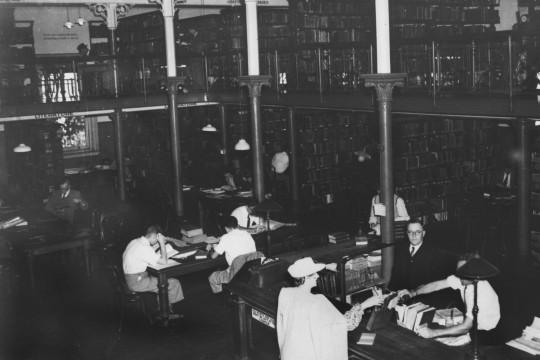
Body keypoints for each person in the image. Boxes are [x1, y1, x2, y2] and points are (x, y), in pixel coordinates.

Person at [277, 257, 386, 360]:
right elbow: (344, 324)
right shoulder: (316, 302)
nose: (317, 276)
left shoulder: (286, 294)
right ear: (304, 278)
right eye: (313, 274)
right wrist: (365, 304)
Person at [395, 253, 500, 343]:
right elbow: (436, 285)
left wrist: (433, 333)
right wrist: (414, 293)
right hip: (472, 326)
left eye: (462, 272)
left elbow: (465, 327)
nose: (459, 275)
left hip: (486, 335)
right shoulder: (465, 278)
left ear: (472, 271)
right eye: (458, 271)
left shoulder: (479, 293)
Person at [387, 220, 459, 309]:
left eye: (417, 232)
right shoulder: (401, 250)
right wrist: (392, 294)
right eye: (410, 232)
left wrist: (412, 294)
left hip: (424, 299)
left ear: (423, 233)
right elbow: (396, 278)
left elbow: (436, 285)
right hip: (403, 298)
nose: (414, 235)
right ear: (407, 234)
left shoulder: (434, 253)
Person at [122, 225, 184, 319]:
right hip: (137, 281)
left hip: (131, 278)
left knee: (162, 282)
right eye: (157, 239)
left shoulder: (134, 241)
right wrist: (162, 243)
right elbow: (163, 261)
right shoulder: (144, 248)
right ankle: (166, 314)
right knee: (172, 283)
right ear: (155, 236)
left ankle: (164, 309)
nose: (157, 242)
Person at [207, 216, 259, 293]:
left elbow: (213, 256)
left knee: (212, 277)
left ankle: (223, 296)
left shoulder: (225, 237)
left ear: (226, 228)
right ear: (237, 225)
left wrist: (211, 247)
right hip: (251, 271)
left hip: (236, 275)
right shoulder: (247, 234)